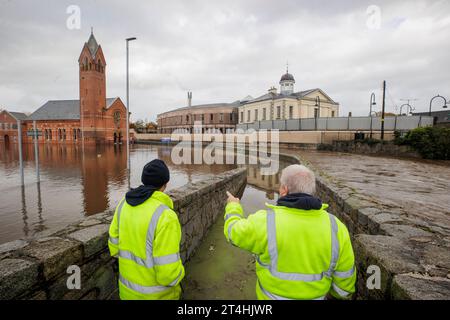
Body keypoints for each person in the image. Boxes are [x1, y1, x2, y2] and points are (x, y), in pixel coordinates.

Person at [224, 164, 356, 300]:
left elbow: (233, 232)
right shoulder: (336, 227)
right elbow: (344, 287)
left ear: (284, 190)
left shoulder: (265, 221)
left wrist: (233, 207)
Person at [108, 159, 185, 300]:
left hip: (126, 293)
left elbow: (114, 247)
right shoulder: (165, 216)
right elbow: (168, 275)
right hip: (158, 296)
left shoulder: (123, 205)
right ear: (165, 184)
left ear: (144, 181)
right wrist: (180, 273)